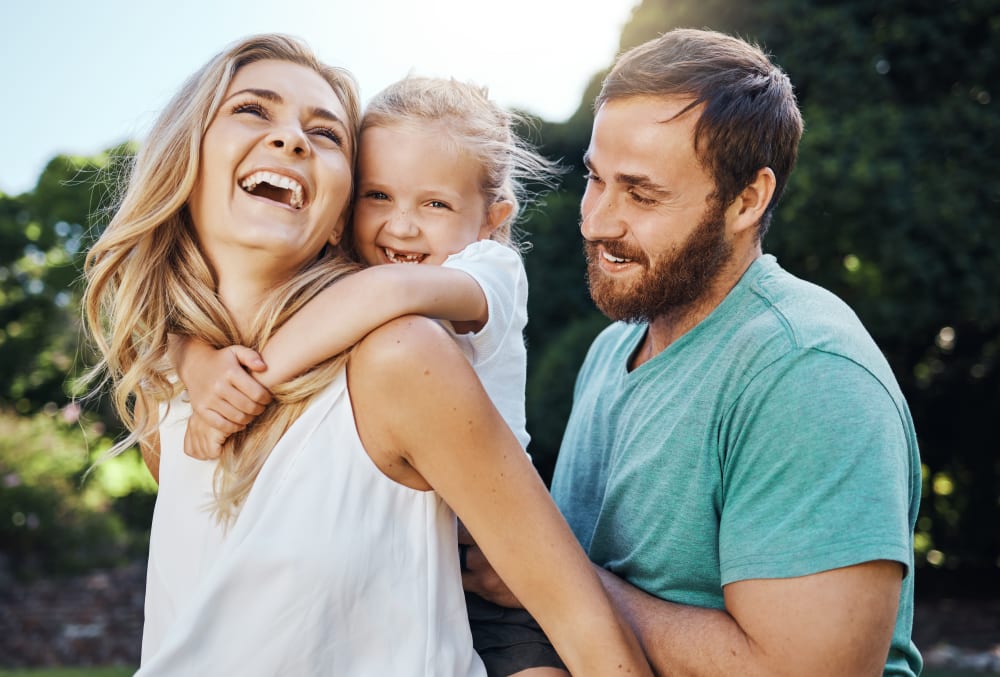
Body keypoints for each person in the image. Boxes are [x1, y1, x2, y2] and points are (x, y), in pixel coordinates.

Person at [82, 34, 650, 676]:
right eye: (253, 110)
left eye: (324, 133)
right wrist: (192, 355)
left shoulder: (402, 350)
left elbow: (579, 621)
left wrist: (249, 377)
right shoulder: (170, 394)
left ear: (330, 211)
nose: (293, 139)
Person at [461, 28, 924, 676]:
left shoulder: (808, 372)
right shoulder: (614, 346)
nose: (597, 220)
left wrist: (550, 578)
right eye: (596, 179)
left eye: (641, 193)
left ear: (747, 199)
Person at [174, 75, 568, 676]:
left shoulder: (490, 270)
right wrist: (198, 362)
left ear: (493, 217)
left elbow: (384, 293)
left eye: (434, 204)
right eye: (377, 196)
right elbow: (188, 323)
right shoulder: (343, 274)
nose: (401, 226)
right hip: (397, 561)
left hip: (493, 571)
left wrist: (243, 390)